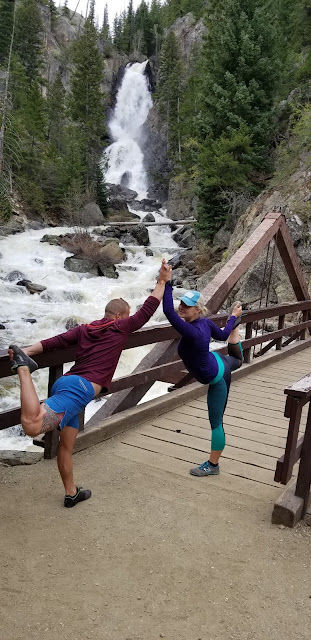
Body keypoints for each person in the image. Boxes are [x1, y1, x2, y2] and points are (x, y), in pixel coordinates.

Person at [8, 260, 171, 507]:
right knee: (32, 424)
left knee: (66, 446)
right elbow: (148, 309)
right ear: (119, 316)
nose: (127, 321)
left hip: (66, 383)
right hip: (81, 389)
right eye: (125, 317)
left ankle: (71, 493)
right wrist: (162, 280)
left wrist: (26, 348)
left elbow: (55, 342)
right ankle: (24, 370)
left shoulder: (85, 329)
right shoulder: (120, 326)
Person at [162, 263, 243, 477]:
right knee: (235, 360)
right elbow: (223, 335)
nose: (182, 307)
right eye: (182, 303)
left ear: (197, 310)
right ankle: (238, 327)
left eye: (187, 306)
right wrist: (233, 318)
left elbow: (168, 311)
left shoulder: (192, 331)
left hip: (217, 377)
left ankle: (213, 466)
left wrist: (167, 281)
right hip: (214, 360)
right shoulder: (204, 324)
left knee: (216, 423)